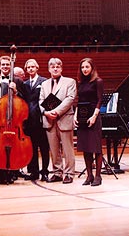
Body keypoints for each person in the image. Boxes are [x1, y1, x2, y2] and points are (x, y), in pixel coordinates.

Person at [39, 58, 77, 184]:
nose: (55, 68)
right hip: (49, 119)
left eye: (57, 66)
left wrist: (56, 111)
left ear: (61, 68)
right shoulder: (44, 84)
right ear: (49, 69)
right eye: (52, 66)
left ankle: (69, 173)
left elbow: (70, 98)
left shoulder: (70, 82)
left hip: (64, 118)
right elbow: (41, 101)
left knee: (68, 149)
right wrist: (46, 112)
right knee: (54, 149)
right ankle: (57, 172)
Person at [74, 58, 104, 186]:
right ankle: (89, 175)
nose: (84, 69)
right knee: (86, 148)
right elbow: (79, 100)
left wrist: (94, 116)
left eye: (87, 67)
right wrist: (75, 115)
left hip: (93, 116)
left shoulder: (98, 81)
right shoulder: (80, 83)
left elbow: (99, 100)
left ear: (92, 68)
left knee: (96, 148)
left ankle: (98, 176)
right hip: (82, 116)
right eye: (82, 67)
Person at [23, 59, 49, 181]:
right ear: (26, 69)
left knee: (43, 147)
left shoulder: (44, 81)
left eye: (33, 67)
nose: (31, 69)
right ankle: (33, 172)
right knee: (31, 147)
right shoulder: (25, 84)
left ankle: (44, 171)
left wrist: (46, 112)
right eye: (29, 67)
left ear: (37, 68)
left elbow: (49, 97)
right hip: (29, 120)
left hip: (41, 118)